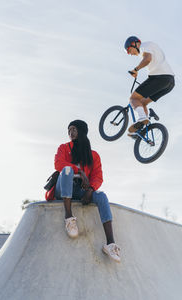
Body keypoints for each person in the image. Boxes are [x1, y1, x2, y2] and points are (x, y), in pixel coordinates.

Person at [45, 120, 120, 263]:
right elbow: (58, 164)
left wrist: (91, 190)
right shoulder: (64, 148)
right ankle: (69, 218)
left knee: (102, 196)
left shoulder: (93, 155)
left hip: (81, 190)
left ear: (82, 131)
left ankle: (110, 244)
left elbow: (98, 176)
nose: (70, 133)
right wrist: (79, 171)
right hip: (63, 189)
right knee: (66, 170)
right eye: (68, 130)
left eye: (73, 129)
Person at [124, 36, 175, 135]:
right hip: (169, 83)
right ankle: (142, 129)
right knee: (142, 103)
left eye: (129, 50)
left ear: (134, 44)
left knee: (133, 98)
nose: (130, 54)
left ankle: (142, 118)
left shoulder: (144, 46)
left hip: (159, 78)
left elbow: (148, 59)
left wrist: (136, 69)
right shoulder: (147, 49)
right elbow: (149, 61)